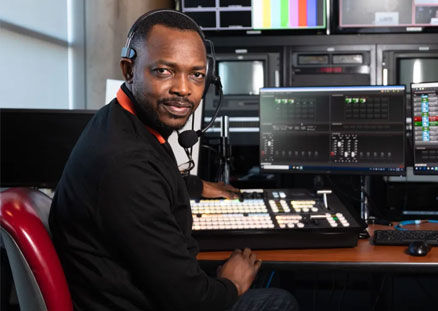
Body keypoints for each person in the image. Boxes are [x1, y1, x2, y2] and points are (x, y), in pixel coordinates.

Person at [49, 9, 298, 311]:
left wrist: (194, 186)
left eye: (196, 75)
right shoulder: (126, 166)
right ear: (129, 70)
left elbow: (147, 181)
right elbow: (192, 301)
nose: (183, 89)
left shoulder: (118, 122)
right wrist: (232, 282)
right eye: (164, 71)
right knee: (279, 301)